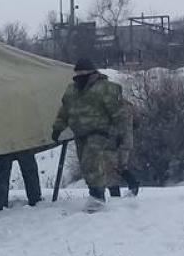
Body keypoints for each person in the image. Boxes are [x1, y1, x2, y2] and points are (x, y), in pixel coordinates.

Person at [51, 59, 129, 212]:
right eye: (78, 73)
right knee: (86, 167)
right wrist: (57, 128)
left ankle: (97, 197)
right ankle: (95, 194)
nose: (80, 75)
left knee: (91, 163)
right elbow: (64, 111)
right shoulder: (72, 90)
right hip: (80, 134)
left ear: (92, 72)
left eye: (83, 73)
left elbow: (119, 113)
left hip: (99, 133)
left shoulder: (105, 88)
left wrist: (120, 133)